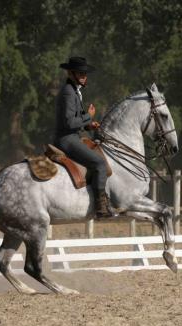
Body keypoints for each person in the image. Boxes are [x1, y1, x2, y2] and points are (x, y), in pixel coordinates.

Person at [54, 56, 115, 218]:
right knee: (100, 163)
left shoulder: (74, 91)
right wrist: (88, 116)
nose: (84, 76)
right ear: (70, 73)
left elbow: (75, 121)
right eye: (80, 73)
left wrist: (89, 125)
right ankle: (101, 206)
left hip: (73, 136)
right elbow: (69, 123)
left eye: (85, 74)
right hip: (67, 139)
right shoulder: (68, 92)